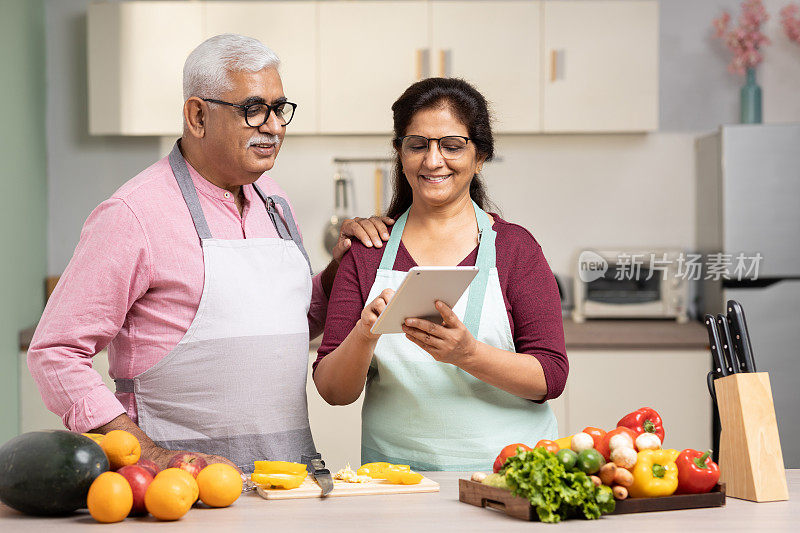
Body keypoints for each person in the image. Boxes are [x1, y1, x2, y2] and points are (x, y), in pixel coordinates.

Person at [27, 34, 392, 473]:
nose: (274, 126)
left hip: (287, 479)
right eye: (253, 110)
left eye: (280, 109)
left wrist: (340, 268)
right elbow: (55, 352)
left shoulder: (274, 201)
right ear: (197, 116)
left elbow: (290, 318)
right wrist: (150, 455)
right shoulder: (132, 214)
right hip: (179, 494)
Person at [313, 78, 568, 471]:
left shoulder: (517, 250)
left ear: (480, 157)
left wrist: (468, 355)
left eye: (452, 146)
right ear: (400, 153)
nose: (433, 160)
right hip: (397, 481)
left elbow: (550, 375)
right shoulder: (367, 253)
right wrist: (364, 335)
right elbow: (333, 391)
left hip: (512, 475)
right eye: (418, 144)